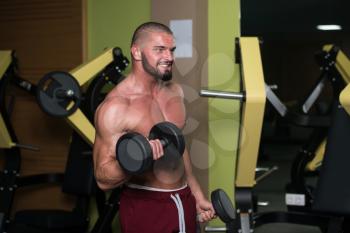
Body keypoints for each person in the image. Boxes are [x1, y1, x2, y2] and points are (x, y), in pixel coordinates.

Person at [93, 21, 215, 233]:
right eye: (160, 50)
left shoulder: (175, 91)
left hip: (183, 199)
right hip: (146, 207)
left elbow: (179, 145)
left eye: (171, 50)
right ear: (137, 52)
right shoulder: (116, 107)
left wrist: (195, 193)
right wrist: (139, 159)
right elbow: (102, 178)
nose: (169, 57)